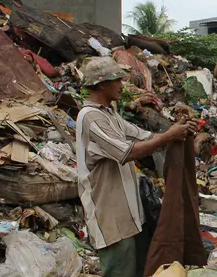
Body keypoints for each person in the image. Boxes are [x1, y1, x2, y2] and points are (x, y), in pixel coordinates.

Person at [76, 57, 199, 277]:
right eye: (117, 80)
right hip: (110, 214)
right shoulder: (91, 118)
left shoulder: (109, 113)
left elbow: (143, 136)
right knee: (120, 271)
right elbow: (127, 152)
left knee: (140, 270)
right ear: (102, 84)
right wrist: (168, 137)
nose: (122, 85)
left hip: (130, 211)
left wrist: (175, 132)